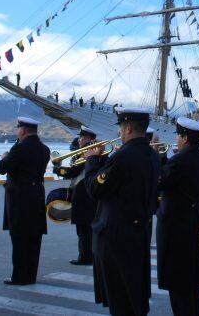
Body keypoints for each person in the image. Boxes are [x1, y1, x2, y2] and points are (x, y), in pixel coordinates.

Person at [83, 108, 160, 315]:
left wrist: (91, 160)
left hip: (117, 235)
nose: (119, 134)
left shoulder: (123, 156)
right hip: (139, 231)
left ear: (127, 127)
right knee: (134, 291)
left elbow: (95, 189)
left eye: (120, 128)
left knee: (119, 295)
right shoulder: (153, 155)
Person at [157, 117, 199, 315]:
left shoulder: (180, 160)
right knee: (190, 281)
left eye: (179, 136)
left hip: (175, 226)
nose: (177, 140)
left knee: (177, 280)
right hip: (190, 221)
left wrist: (155, 157)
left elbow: (159, 181)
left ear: (185, 138)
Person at [0, 116, 50, 285]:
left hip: (20, 198)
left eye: (18, 129)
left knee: (19, 238)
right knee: (34, 238)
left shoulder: (19, 149)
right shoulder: (44, 149)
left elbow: (2, 168)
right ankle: (31, 275)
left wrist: (5, 157)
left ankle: (19, 276)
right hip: (37, 195)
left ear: (23, 130)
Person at [69, 126, 99, 265]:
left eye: (82, 137)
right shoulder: (94, 152)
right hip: (89, 196)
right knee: (87, 228)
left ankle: (85, 256)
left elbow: (74, 171)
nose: (79, 140)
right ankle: (89, 255)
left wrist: (59, 169)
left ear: (89, 139)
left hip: (83, 195)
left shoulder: (87, 153)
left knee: (83, 228)